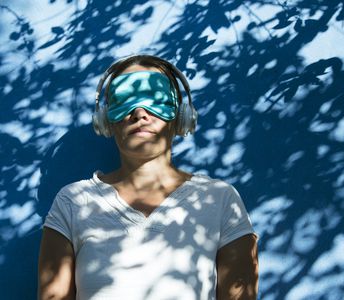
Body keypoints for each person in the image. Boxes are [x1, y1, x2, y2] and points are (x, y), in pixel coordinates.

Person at [38, 54, 258, 300]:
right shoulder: (72, 201)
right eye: (125, 101)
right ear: (105, 120)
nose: (140, 112)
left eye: (156, 99)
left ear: (181, 115)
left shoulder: (220, 199)